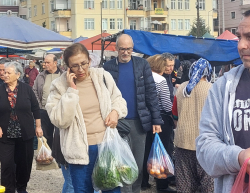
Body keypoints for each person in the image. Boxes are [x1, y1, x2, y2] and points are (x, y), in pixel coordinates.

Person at [46, 43, 127, 193]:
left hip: (106, 146)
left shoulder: (102, 76)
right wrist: (71, 91)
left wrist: (115, 112)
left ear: (89, 60)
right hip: (78, 150)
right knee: (82, 190)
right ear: (67, 66)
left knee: (112, 189)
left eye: (84, 63)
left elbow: (119, 100)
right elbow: (59, 120)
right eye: (75, 66)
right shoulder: (59, 85)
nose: (81, 69)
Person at [196, 10, 250, 193]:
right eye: (239, 37)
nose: (241, 45)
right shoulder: (223, 87)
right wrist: (238, 157)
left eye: (249, 37)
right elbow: (205, 147)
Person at [103, 34, 163, 193]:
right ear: (116, 48)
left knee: (137, 165)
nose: (125, 52)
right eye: (122, 49)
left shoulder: (142, 65)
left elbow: (151, 93)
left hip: (138, 123)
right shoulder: (108, 67)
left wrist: (156, 121)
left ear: (132, 48)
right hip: (117, 123)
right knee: (122, 165)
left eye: (128, 49)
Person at [0, 62, 43, 193]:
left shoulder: (27, 89)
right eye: (4, 72)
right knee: (7, 164)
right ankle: (8, 189)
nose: (4, 75)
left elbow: (35, 108)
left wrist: (38, 126)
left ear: (18, 75)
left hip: (25, 133)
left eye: (8, 73)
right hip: (4, 134)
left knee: (24, 163)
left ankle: (22, 187)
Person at [172, 58, 213, 193]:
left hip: (183, 142)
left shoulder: (181, 88)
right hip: (206, 145)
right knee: (208, 184)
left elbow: (175, 116)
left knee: (184, 184)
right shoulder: (213, 89)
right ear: (208, 73)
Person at [142, 55, 175, 192]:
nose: (169, 68)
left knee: (146, 150)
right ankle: (162, 184)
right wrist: (173, 116)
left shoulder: (143, 77)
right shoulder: (160, 80)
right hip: (161, 119)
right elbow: (167, 104)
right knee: (162, 151)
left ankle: (143, 182)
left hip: (145, 118)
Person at [33, 54, 62, 149]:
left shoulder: (63, 75)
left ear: (55, 63)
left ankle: (59, 156)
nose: (45, 64)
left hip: (60, 111)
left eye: (48, 62)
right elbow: (35, 90)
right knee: (46, 135)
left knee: (60, 135)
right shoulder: (40, 76)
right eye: (44, 62)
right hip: (44, 110)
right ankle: (48, 155)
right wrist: (39, 105)